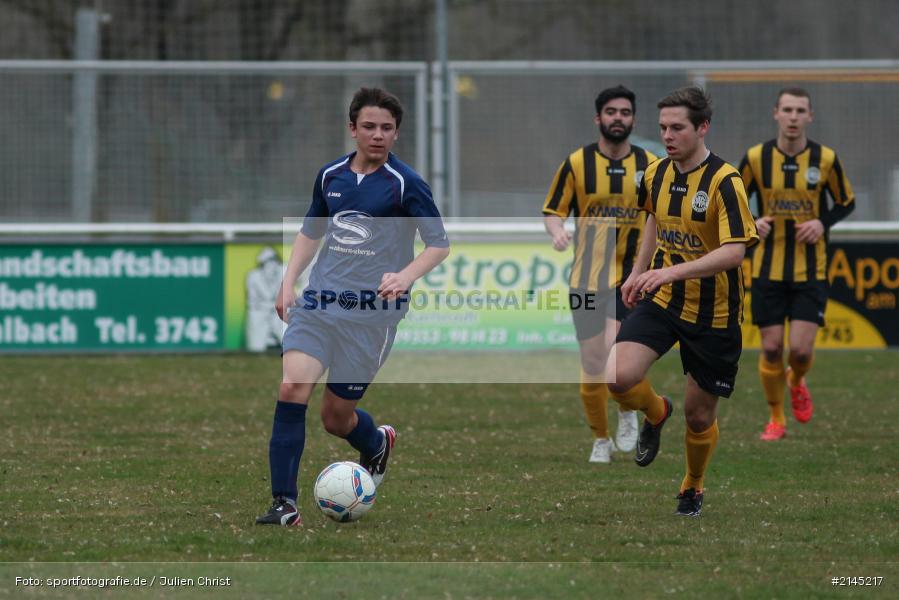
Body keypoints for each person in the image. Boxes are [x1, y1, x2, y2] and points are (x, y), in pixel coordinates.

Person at [256, 87, 450, 526]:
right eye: (369, 126)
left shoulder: (406, 184)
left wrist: (405, 276)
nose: (378, 135)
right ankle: (284, 504)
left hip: (371, 319)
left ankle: (376, 442)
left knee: (335, 418)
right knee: (292, 388)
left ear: (396, 133)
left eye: (386, 128)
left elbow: (439, 244)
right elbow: (311, 231)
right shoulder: (331, 176)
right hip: (319, 304)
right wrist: (288, 282)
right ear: (352, 129)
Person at [605, 87, 758, 516]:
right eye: (663, 128)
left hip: (715, 313)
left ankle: (693, 484)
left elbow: (735, 252)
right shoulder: (655, 173)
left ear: (702, 127)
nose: (668, 136)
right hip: (664, 299)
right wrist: (638, 272)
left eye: (677, 128)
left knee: (699, 417)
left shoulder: (725, 181)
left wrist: (668, 271)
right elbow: (653, 220)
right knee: (616, 375)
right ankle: (657, 413)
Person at [542, 85, 658, 464]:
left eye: (625, 112)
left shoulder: (651, 165)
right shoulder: (577, 163)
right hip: (586, 277)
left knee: (615, 353)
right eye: (611, 112)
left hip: (632, 277)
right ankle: (600, 439)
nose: (618, 118)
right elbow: (553, 211)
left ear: (633, 119)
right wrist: (557, 231)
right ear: (598, 118)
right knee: (592, 361)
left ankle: (626, 409)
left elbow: (663, 214)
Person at [738, 88, 855, 441]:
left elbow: (846, 202)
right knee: (771, 348)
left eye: (800, 110)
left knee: (801, 351)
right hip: (766, 269)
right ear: (775, 113)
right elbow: (732, 201)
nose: (793, 117)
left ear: (810, 116)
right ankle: (776, 418)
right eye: (787, 109)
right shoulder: (756, 158)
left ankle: (797, 379)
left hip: (811, 269)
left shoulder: (825, 159)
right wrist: (752, 223)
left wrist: (822, 222)